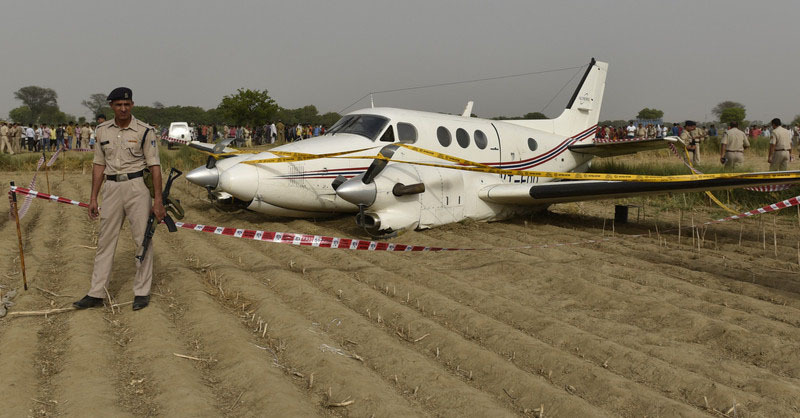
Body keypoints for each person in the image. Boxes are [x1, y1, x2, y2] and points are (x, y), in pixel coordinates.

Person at [72, 87, 165, 311]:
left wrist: (158, 201)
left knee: (142, 240)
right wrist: (93, 197)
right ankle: (96, 292)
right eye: (118, 105)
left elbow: (154, 167)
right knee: (105, 241)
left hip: (136, 187)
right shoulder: (102, 131)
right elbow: (98, 165)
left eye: (127, 104)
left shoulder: (145, 130)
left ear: (132, 105)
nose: (123, 108)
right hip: (111, 187)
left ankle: (141, 292)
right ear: (112, 106)